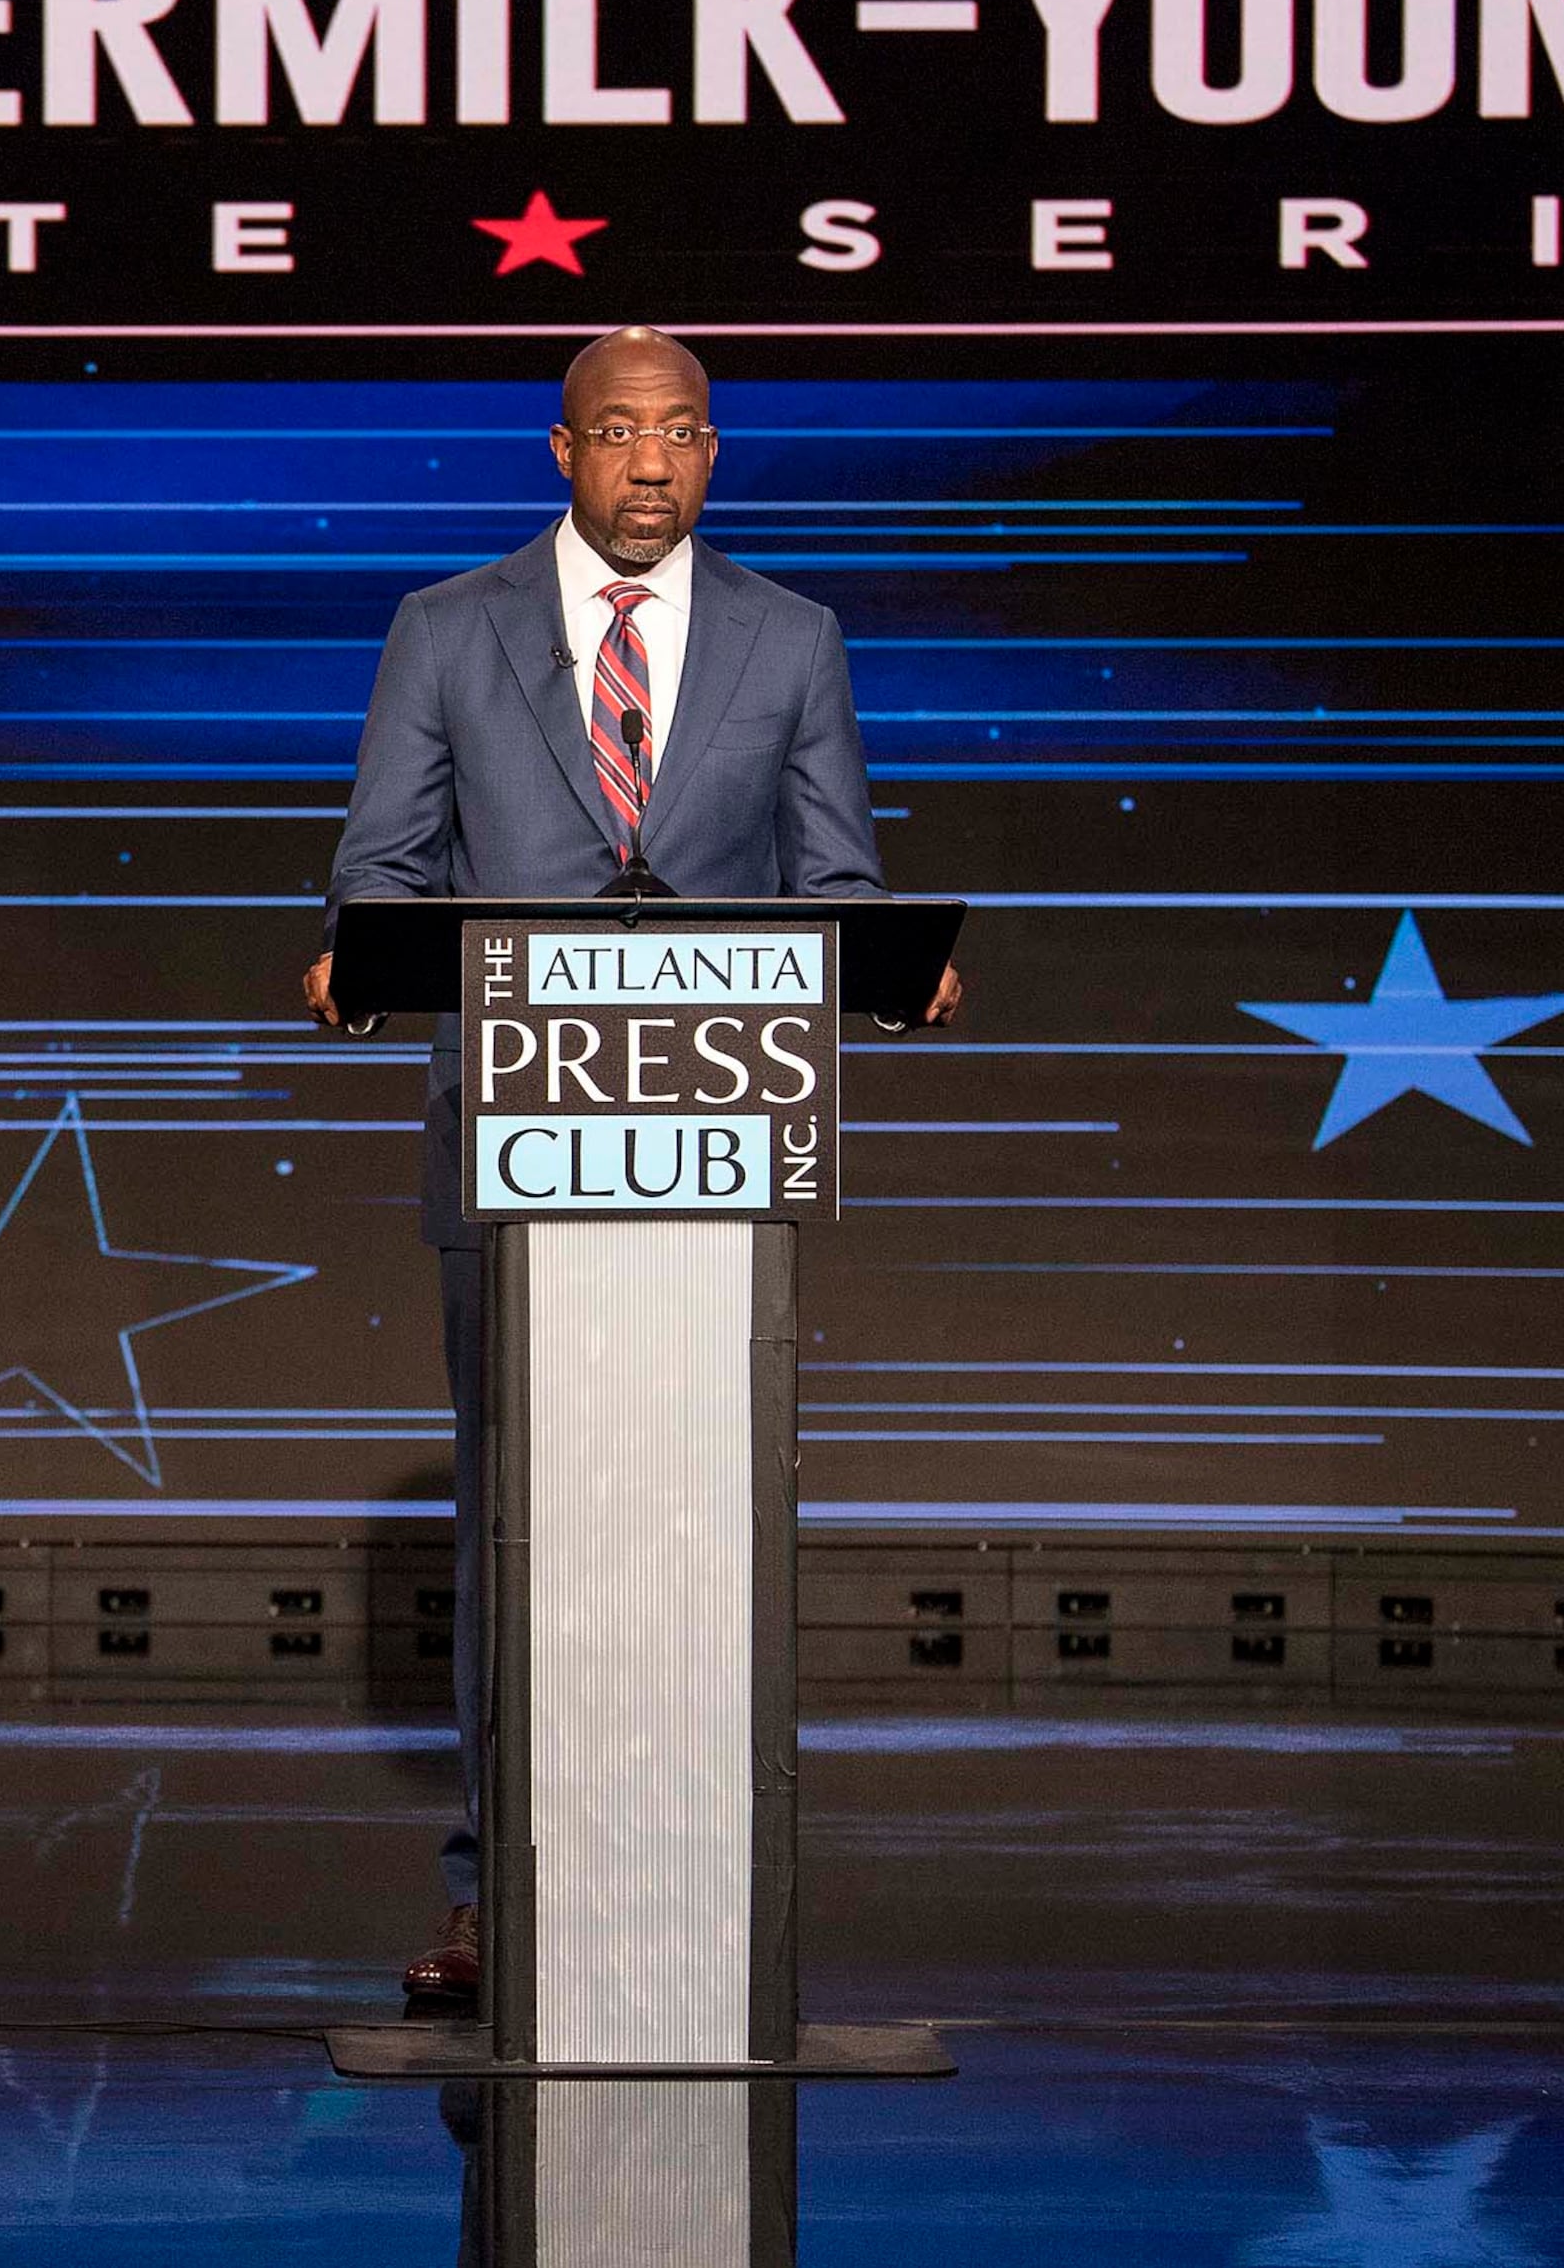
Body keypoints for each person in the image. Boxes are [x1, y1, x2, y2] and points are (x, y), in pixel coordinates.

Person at [305, 326, 960, 2005]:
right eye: (618, 433)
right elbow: (379, 873)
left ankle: (701, 1885)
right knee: (513, 1515)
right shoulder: (446, 630)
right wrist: (357, 963)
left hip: (714, 1150)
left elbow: (838, 872)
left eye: (679, 434)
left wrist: (890, 964)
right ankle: (489, 1893)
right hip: (509, 1144)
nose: (650, 462)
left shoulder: (792, 637)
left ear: (716, 452)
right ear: (563, 448)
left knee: (699, 1517)